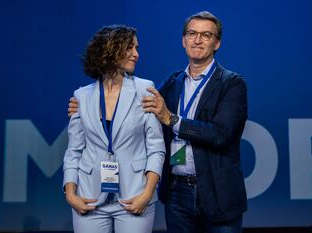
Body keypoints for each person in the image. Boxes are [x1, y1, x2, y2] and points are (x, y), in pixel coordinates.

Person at [68, 11, 247, 233]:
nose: (198, 40)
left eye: (206, 35)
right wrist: (82, 107)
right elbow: (133, 110)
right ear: (183, 40)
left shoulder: (232, 84)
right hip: (177, 193)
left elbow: (221, 135)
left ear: (217, 43)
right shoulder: (172, 83)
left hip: (217, 193)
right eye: (192, 33)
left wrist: (171, 119)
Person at [63, 25, 165, 233]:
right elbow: (73, 151)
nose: (136, 54)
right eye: (129, 47)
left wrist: (146, 194)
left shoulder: (144, 89)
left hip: (134, 196)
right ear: (109, 50)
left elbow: (156, 147)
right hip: (89, 197)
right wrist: (70, 194)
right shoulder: (81, 96)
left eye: (137, 48)